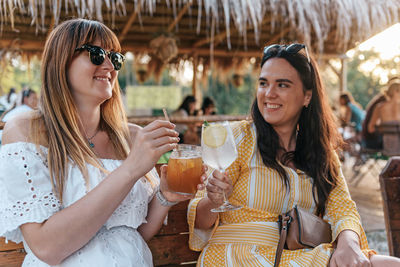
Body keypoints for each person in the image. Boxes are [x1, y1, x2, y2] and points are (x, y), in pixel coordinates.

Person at [0, 18, 205, 267]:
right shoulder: (25, 131)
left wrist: (164, 195)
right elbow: (46, 247)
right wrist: (131, 169)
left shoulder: (131, 136)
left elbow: (129, 233)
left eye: (116, 58)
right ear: (61, 62)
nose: (109, 65)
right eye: (96, 54)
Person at [187, 43, 400, 266]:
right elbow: (200, 220)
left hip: (295, 256)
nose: (269, 93)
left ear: (307, 96)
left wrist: (348, 243)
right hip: (236, 256)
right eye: (263, 83)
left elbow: (342, 206)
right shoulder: (237, 138)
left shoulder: (320, 151)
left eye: (282, 84)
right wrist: (213, 198)